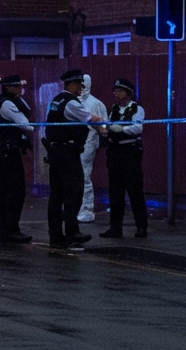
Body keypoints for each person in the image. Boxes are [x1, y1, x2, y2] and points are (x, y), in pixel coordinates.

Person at [43, 69, 99, 249]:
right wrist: (106, 127)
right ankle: (72, 232)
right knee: (74, 191)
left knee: (57, 195)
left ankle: (56, 236)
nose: (81, 89)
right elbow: (91, 118)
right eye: (79, 85)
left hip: (56, 152)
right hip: (67, 153)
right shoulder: (71, 103)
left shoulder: (56, 100)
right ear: (71, 84)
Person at [98, 78, 148, 238]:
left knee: (135, 190)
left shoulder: (136, 109)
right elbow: (107, 125)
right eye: (115, 91)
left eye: (120, 91)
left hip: (130, 152)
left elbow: (137, 128)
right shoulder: (113, 109)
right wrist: (105, 130)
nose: (116, 94)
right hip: (115, 153)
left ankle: (141, 226)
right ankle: (115, 227)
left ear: (128, 93)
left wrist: (121, 130)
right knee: (115, 191)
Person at [0, 74, 36, 244]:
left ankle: (7, 230)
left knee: (5, 192)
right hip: (9, 152)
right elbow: (26, 125)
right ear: (8, 88)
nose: (20, 90)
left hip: (2, 152)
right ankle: (11, 230)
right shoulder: (8, 104)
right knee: (15, 192)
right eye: (17, 87)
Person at [77, 73, 108, 223]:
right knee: (73, 177)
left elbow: (104, 126)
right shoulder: (72, 102)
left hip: (88, 144)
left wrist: (100, 129)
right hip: (74, 145)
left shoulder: (95, 104)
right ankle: (75, 206)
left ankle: (86, 208)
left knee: (84, 176)